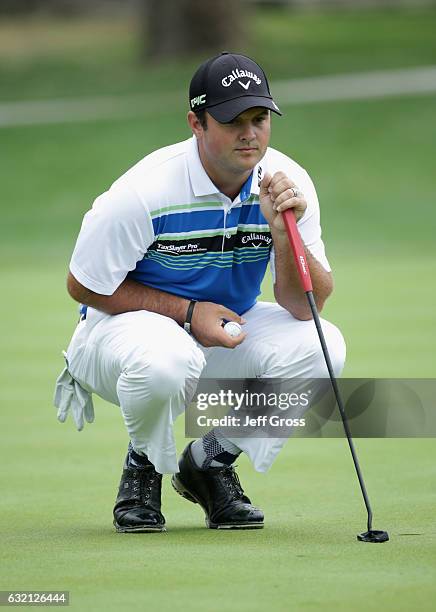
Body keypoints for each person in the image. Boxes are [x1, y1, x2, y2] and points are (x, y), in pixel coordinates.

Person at [54, 52, 346, 533]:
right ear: (196, 122)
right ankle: (143, 464)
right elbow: (83, 285)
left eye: (259, 119)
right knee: (165, 360)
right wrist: (188, 312)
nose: (249, 134)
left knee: (323, 346)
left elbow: (303, 304)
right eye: (233, 121)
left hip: (221, 335)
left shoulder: (286, 185)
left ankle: (207, 462)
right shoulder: (146, 190)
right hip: (118, 343)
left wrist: (282, 232)